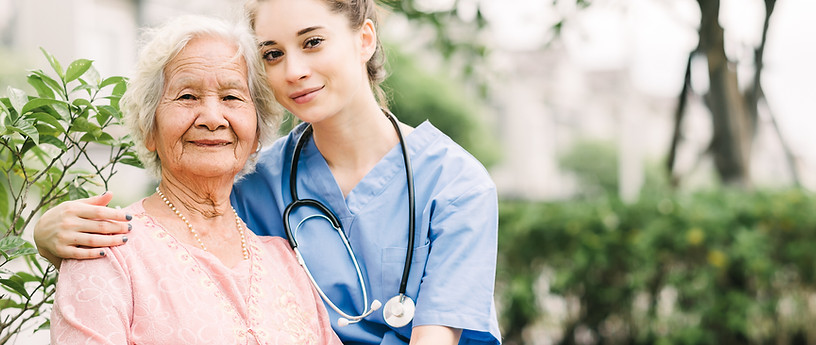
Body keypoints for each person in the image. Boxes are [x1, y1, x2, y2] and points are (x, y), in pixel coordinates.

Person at [36, 0, 502, 344]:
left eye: (313, 42)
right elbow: (168, 239)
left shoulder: (456, 185)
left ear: (365, 38)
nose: (294, 70)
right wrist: (50, 235)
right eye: (273, 54)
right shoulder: (254, 178)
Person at [49, 15, 342, 344]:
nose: (213, 118)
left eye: (231, 97)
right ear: (149, 128)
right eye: (187, 97)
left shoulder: (286, 260)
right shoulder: (108, 251)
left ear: (257, 131)